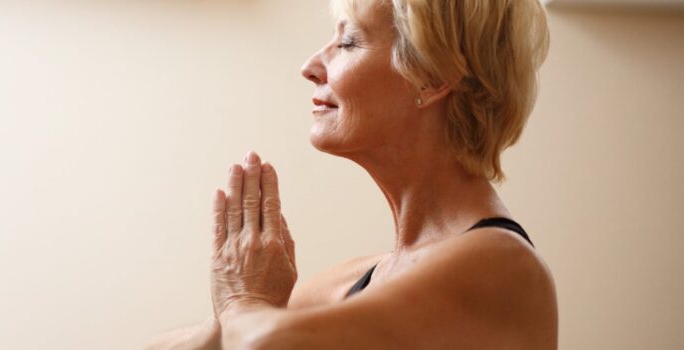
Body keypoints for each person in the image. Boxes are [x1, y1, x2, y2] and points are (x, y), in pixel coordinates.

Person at [147, 0, 556, 348]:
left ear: (432, 76)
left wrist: (243, 300)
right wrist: (233, 309)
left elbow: (261, 344)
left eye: (347, 41)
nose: (310, 66)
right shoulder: (364, 277)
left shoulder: (504, 267)